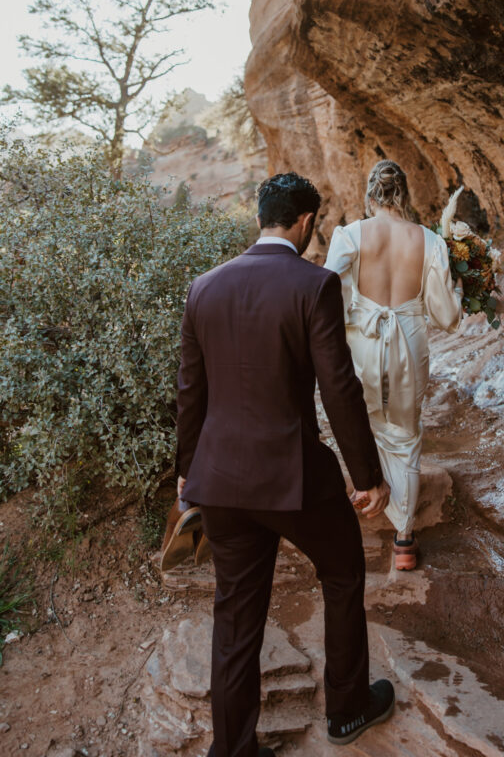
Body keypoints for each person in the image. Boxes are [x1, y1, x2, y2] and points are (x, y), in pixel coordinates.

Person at [175, 172, 394, 757]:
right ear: (304, 223)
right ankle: (347, 710)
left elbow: (190, 390)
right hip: (294, 477)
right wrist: (367, 476)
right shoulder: (313, 284)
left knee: (236, 615)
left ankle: (234, 749)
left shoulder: (204, 286)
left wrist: (185, 469)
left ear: (259, 218)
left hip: (219, 479)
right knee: (344, 572)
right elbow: (338, 388)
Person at [325, 160, 463, 571]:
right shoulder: (429, 241)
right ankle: (404, 540)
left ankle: (367, 495)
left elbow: (329, 295)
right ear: (404, 196)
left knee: (360, 421)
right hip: (409, 341)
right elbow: (445, 316)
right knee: (404, 433)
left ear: (370, 198)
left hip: (362, 344)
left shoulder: (350, 235)